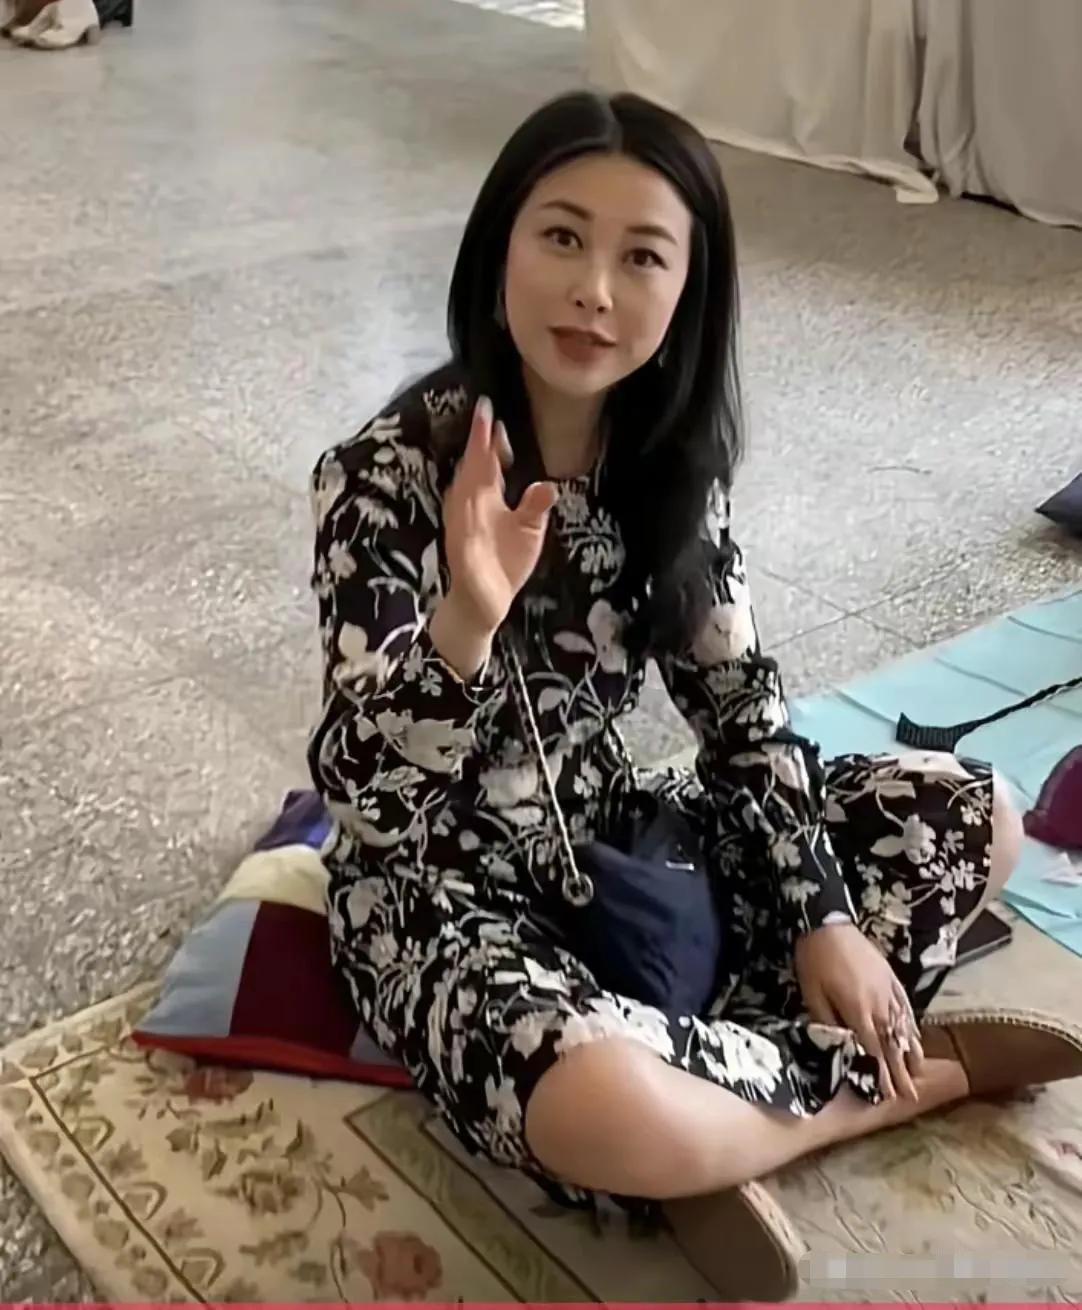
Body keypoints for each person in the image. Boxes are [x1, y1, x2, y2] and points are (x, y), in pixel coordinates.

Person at [308, 90, 1082, 1301]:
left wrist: (821, 916)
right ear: (499, 246)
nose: (593, 290)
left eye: (640, 256)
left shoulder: (666, 468)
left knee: (976, 816)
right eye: (560, 236)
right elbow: (364, 803)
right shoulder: (382, 473)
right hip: (439, 900)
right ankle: (882, 1085)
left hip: (617, 844)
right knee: (601, 1102)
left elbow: (743, 719)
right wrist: (466, 616)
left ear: (686, 291)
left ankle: (713, 1113)